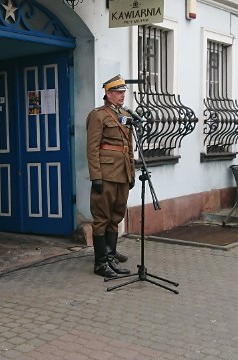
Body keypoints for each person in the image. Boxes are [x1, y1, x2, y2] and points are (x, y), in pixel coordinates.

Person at [86, 75, 135, 278]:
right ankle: (100, 264)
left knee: (116, 216)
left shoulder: (125, 114)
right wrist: (95, 175)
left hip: (122, 172)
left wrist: (131, 172)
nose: (123, 95)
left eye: (124, 92)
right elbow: (92, 147)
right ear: (108, 94)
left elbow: (128, 146)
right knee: (102, 218)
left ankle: (111, 257)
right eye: (118, 92)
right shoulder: (98, 115)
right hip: (106, 174)